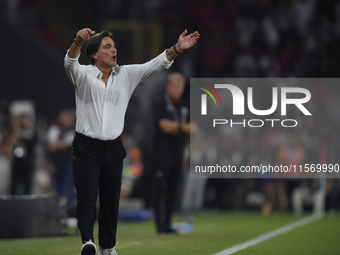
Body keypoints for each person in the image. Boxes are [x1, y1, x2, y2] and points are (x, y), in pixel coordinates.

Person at [64, 28, 199, 255]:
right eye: (107, 46)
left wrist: (176, 49)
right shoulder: (83, 75)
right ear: (94, 54)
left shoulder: (126, 74)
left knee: (110, 200)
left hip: (113, 147)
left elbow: (155, 64)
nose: (114, 49)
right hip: (86, 147)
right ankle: (88, 242)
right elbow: (69, 63)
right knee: (87, 197)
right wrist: (77, 42)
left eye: (114, 46)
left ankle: (108, 247)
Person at [151, 72, 194, 234]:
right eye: (174, 86)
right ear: (167, 87)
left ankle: (167, 223)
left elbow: (194, 128)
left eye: (180, 86)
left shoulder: (184, 106)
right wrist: (182, 128)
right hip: (161, 154)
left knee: (173, 189)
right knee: (160, 188)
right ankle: (159, 224)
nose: (177, 89)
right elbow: (165, 126)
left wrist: (177, 127)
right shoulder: (160, 104)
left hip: (178, 153)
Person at [46, 110, 76, 205]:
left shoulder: (73, 131)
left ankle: (70, 213)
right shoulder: (54, 129)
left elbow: (63, 145)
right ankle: (59, 214)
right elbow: (50, 147)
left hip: (68, 166)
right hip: (56, 165)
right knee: (57, 191)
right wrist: (58, 146)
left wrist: (56, 146)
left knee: (67, 190)